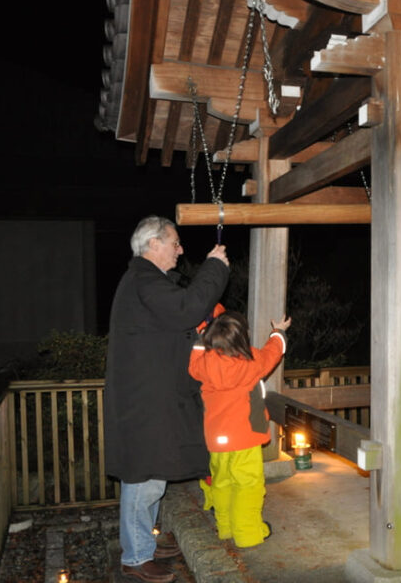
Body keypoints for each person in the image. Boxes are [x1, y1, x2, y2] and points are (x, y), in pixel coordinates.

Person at [104, 215, 229, 583]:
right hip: (144, 401)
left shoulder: (147, 281)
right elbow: (186, 309)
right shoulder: (144, 279)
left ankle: (146, 541)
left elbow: (181, 316)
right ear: (153, 244)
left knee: (153, 472)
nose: (180, 249)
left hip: (150, 396)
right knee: (142, 477)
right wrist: (215, 267)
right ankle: (136, 555)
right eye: (174, 243)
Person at [188, 310, 291, 548]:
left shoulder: (204, 365)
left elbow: (194, 363)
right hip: (245, 438)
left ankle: (225, 528)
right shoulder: (251, 362)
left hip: (216, 440)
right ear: (242, 338)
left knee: (222, 483)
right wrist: (278, 332)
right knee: (248, 485)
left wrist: (199, 336)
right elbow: (272, 354)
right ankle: (248, 534)